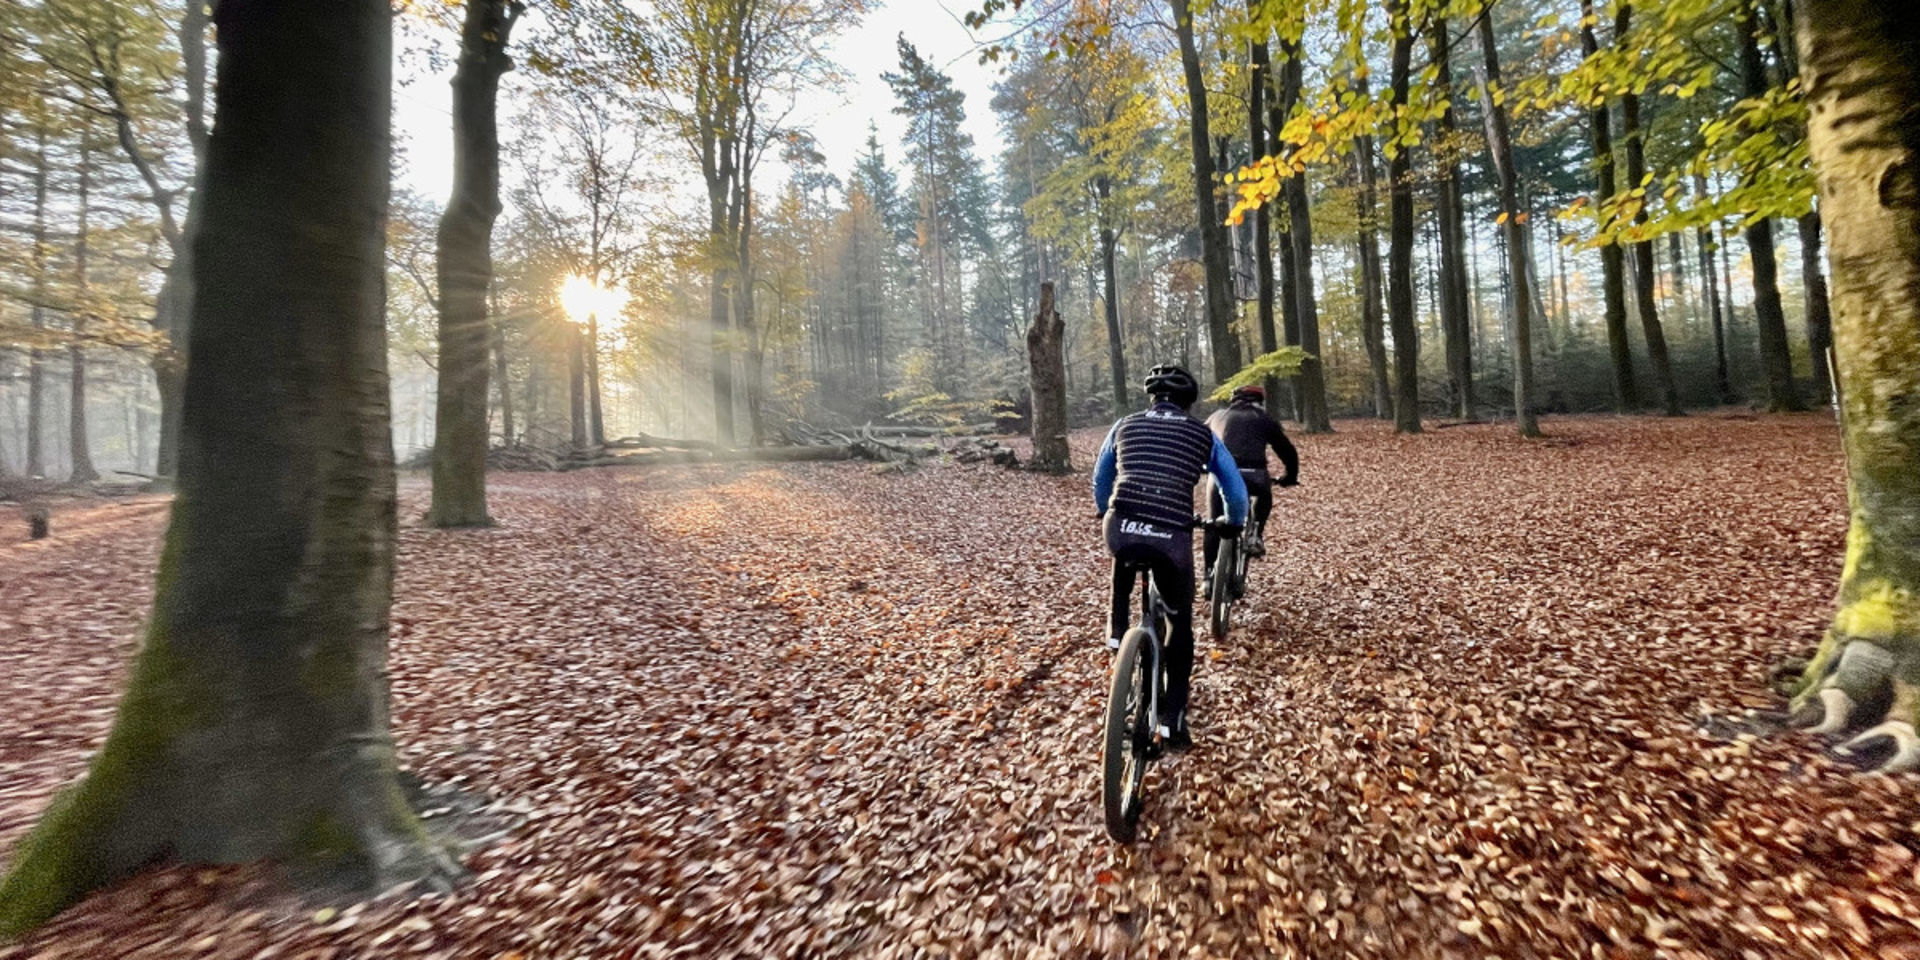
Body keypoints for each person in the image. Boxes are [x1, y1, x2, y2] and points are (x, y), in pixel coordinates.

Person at [1092, 364, 1248, 752]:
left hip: (1119, 528)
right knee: (1180, 622)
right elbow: (1234, 488)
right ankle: (1171, 720)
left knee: (1125, 544)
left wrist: (1102, 509)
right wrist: (1233, 523)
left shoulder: (1124, 425)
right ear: (1188, 401)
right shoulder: (1202, 434)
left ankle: (1116, 630)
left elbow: (1101, 478)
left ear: (1153, 398)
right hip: (1171, 538)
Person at [1202, 385, 1298, 583]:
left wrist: (1201, 466)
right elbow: (1286, 450)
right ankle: (1256, 534)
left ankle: (1208, 576)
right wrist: (1290, 476)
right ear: (1260, 402)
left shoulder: (1217, 417)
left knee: (1212, 523)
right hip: (1254, 474)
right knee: (1263, 491)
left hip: (1220, 476)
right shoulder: (1262, 418)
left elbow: (1199, 441)